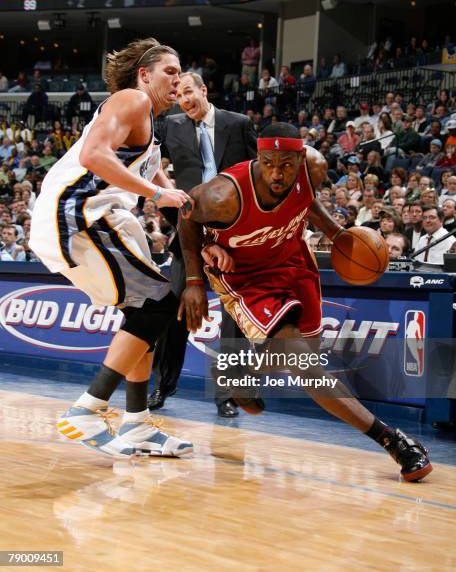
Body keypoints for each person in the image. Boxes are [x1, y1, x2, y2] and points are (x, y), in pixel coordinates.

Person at [177, 122, 432, 482]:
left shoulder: (312, 169)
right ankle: (391, 439)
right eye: (268, 163)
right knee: (302, 361)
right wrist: (195, 272)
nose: (277, 174)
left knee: (306, 350)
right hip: (246, 278)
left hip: (293, 259)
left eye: (286, 165)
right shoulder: (223, 194)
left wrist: (336, 233)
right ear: (258, 157)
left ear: (300, 159)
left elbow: (305, 199)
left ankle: (243, 373)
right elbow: (185, 213)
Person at [29, 38, 194, 459]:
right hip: (79, 213)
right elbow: (93, 155)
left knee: (146, 318)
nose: (179, 80)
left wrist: (203, 241)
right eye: (170, 72)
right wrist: (157, 196)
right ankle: (88, 407)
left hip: (100, 215)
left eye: (181, 73)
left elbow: (176, 202)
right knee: (158, 303)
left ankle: (136, 424)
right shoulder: (132, 99)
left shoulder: (152, 134)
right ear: (144, 75)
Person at [150, 71, 261, 418]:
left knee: (234, 322)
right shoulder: (170, 125)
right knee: (174, 313)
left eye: (188, 92)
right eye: (179, 96)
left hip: (235, 236)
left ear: (203, 90)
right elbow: (149, 162)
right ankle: (162, 386)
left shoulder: (239, 123)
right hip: (189, 235)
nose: (184, 100)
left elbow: (258, 176)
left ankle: (227, 394)